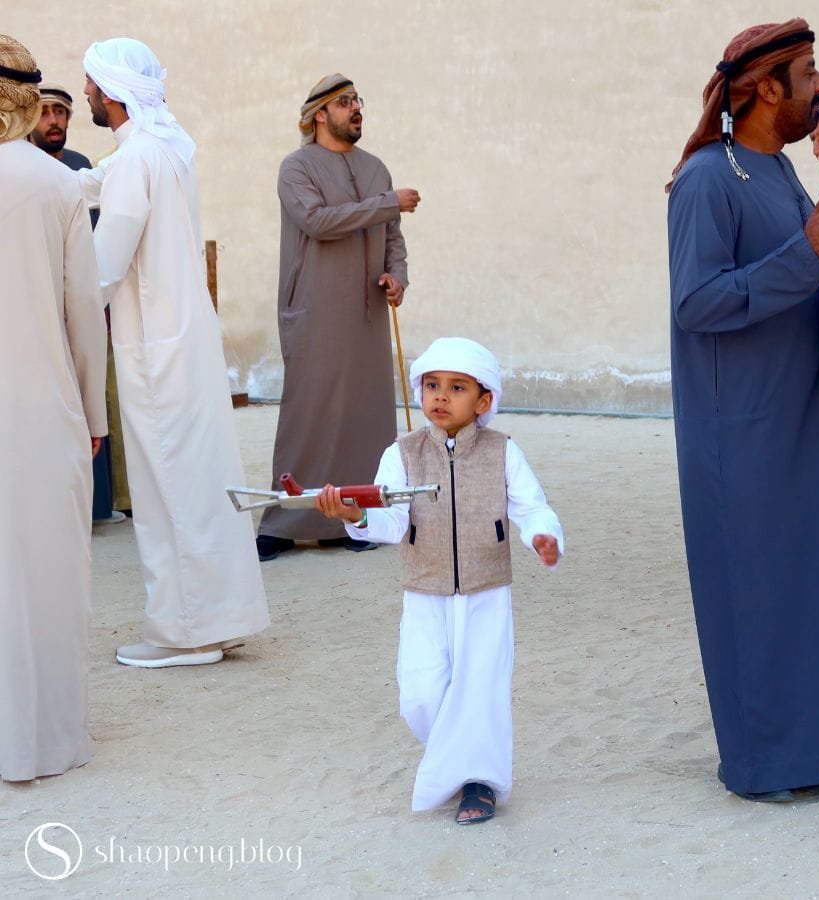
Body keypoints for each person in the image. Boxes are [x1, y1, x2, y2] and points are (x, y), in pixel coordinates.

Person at [666, 19, 819, 802]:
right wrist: (803, 253)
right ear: (767, 86)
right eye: (809, 72)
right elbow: (698, 302)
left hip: (804, 412)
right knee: (758, 589)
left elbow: (806, 276)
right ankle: (768, 763)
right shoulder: (710, 178)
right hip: (737, 426)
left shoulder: (778, 171)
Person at [315, 337, 563, 825]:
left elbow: (532, 507)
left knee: (481, 688)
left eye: (456, 387)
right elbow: (388, 521)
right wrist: (354, 516)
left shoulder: (503, 452)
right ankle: (459, 756)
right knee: (421, 694)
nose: (441, 397)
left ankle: (480, 783)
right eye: (432, 385)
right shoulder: (401, 453)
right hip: (424, 591)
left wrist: (542, 536)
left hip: (487, 591)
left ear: (484, 400)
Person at [81, 37, 270, 667]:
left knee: (168, 491)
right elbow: (88, 184)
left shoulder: (139, 159)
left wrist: (59, 320)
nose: (83, 94)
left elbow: (105, 265)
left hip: (154, 349)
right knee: (202, 480)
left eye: (88, 84)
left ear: (110, 91)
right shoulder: (164, 151)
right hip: (184, 340)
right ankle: (221, 618)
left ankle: (183, 634)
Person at [256, 74, 420, 562]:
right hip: (315, 309)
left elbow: (392, 236)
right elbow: (319, 222)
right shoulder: (296, 168)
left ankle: (356, 518)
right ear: (318, 115)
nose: (355, 109)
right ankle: (286, 521)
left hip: (367, 310)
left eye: (357, 101)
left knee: (364, 415)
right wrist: (387, 203)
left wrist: (397, 275)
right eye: (344, 102)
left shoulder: (375, 169)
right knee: (310, 412)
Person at [0, 35, 107, 780]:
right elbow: (82, 316)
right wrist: (96, 418)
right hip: (41, 408)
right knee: (43, 575)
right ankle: (42, 739)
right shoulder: (59, 184)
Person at [31, 81, 132, 527]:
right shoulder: (22, 167)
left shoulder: (81, 167)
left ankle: (100, 503)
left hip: (86, 301)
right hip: (37, 303)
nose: (55, 121)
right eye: (46, 112)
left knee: (96, 395)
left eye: (62, 113)